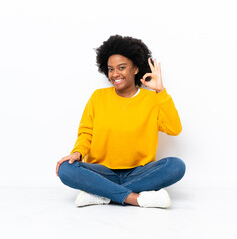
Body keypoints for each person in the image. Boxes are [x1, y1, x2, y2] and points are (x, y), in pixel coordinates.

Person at [56, 35, 185, 208]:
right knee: (66, 169)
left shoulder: (152, 99)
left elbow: (174, 129)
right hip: (102, 172)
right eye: (111, 69)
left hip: (139, 172)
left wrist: (160, 92)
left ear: (135, 69)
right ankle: (135, 198)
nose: (115, 74)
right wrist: (77, 153)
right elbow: (86, 132)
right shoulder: (98, 97)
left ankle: (101, 194)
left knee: (176, 166)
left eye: (122, 67)